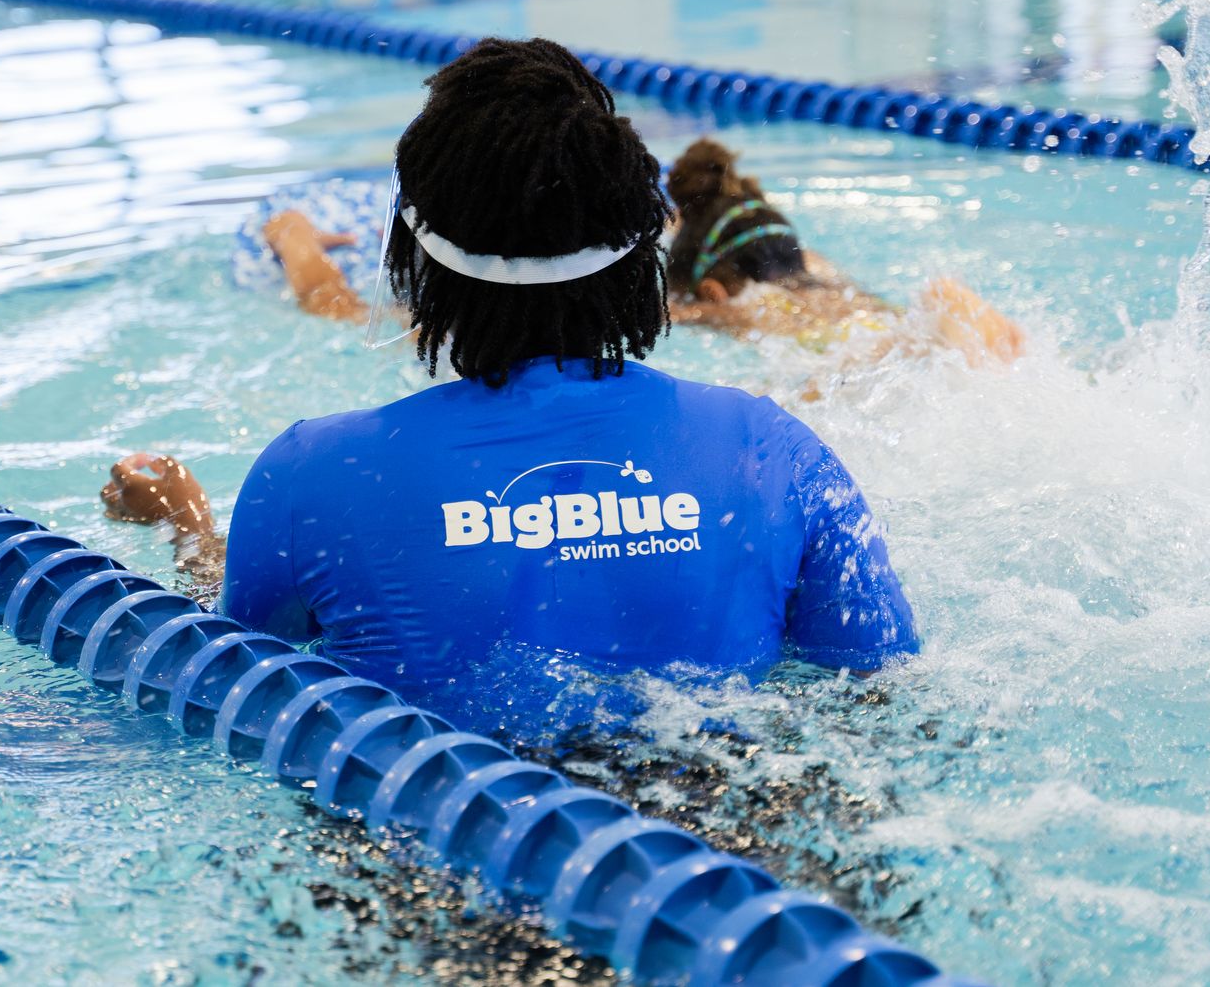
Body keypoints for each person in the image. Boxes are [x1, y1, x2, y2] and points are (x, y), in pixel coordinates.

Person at [101, 38, 919, 720]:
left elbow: (230, 670)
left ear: (413, 265)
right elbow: (885, 704)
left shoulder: (316, 475)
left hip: (431, 882)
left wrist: (187, 526)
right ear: (644, 269)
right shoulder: (774, 452)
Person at [664, 137, 1025, 365]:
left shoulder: (739, 308)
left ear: (712, 290)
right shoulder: (815, 268)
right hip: (887, 321)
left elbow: (672, 312)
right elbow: (753, 231)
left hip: (874, 352)